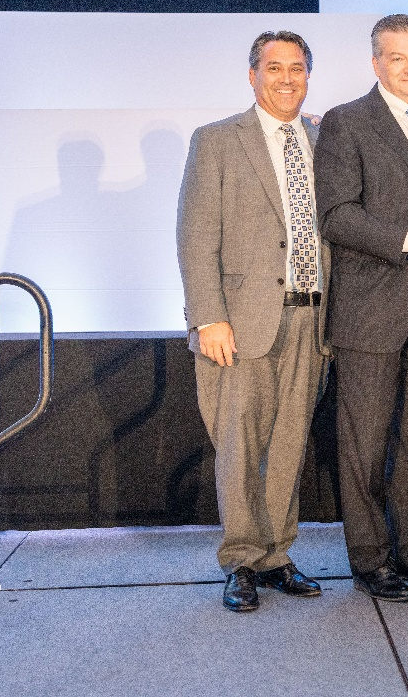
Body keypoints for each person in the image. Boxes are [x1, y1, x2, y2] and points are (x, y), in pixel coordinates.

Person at [177, 31, 329, 612]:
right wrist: (208, 316)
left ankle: (277, 553)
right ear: (252, 75)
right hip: (241, 322)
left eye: (297, 68)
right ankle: (241, 558)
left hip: (311, 319)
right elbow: (194, 236)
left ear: (308, 77)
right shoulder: (216, 140)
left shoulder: (320, 138)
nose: (286, 78)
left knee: (289, 444)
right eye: (274, 68)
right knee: (239, 444)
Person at [314, 13, 408, 602]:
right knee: (365, 440)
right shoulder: (347, 123)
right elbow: (337, 215)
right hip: (372, 303)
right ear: (375, 62)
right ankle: (370, 558)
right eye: (397, 58)